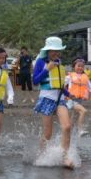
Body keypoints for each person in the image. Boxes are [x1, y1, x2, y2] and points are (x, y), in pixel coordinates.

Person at [33, 36, 74, 168]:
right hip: (46, 99)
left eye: (58, 50)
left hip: (60, 99)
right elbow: (35, 81)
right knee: (48, 133)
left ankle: (64, 157)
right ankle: (41, 155)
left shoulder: (59, 63)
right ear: (48, 50)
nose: (56, 53)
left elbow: (60, 84)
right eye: (53, 50)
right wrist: (47, 69)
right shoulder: (40, 62)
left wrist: (68, 94)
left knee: (67, 126)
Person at [66, 58, 91, 136]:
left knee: (73, 120)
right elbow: (61, 86)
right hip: (71, 100)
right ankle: (80, 131)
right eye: (78, 66)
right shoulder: (69, 76)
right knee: (83, 111)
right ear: (74, 67)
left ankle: (68, 135)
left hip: (79, 100)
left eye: (82, 66)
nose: (80, 68)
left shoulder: (85, 77)